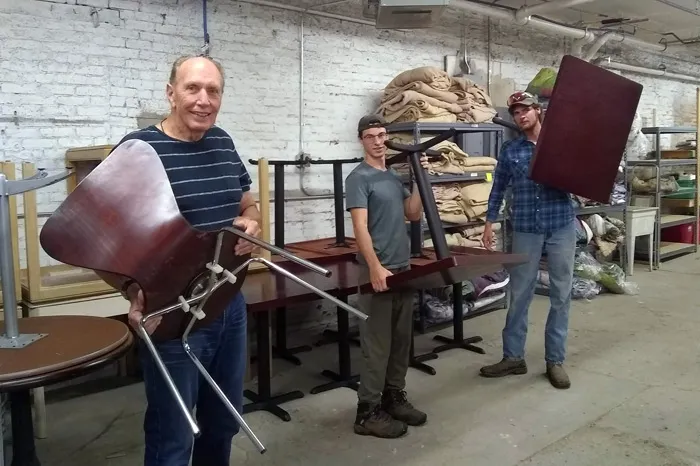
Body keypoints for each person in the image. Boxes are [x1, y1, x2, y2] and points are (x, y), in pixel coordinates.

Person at [114, 55, 262, 466]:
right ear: (171, 93)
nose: (203, 100)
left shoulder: (223, 141)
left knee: (224, 421)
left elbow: (248, 207)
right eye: (192, 88)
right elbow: (103, 238)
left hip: (229, 304)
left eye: (213, 90)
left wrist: (250, 224)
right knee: (173, 436)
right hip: (173, 314)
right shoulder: (139, 150)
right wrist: (132, 291)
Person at [479, 91, 575, 389]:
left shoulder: (560, 145)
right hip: (526, 228)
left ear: (538, 111)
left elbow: (581, 176)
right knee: (520, 293)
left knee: (561, 294)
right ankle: (513, 357)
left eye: (525, 110)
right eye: (516, 113)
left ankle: (555, 361)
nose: (521, 116)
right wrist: (489, 220)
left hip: (560, 225)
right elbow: (498, 187)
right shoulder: (511, 150)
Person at [345, 114, 429, 438]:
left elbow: (413, 213)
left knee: (400, 342)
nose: (379, 141)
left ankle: (394, 398)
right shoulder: (359, 178)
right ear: (362, 140)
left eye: (382, 135)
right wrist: (376, 266)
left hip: (403, 268)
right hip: (377, 270)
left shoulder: (393, 177)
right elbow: (360, 228)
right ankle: (366, 412)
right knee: (376, 346)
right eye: (371, 136)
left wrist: (421, 179)